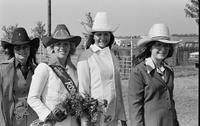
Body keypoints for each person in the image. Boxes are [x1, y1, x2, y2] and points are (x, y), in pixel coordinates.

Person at [77, 12, 127, 126]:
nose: (103, 38)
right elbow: (83, 92)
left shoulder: (113, 56)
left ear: (110, 36)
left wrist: (123, 119)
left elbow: (118, 90)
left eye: (106, 34)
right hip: (95, 118)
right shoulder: (85, 57)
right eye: (99, 34)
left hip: (113, 116)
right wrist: (85, 122)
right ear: (93, 36)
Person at [27, 24, 81, 126]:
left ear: (70, 47)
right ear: (52, 47)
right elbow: (32, 98)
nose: (62, 47)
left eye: (66, 44)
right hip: (51, 123)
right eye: (58, 44)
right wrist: (49, 115)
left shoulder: (75, 72)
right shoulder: (44, 68)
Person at [128, 23, 181, 126]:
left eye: (166, 45)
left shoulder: (169, 71)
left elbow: (170, 101)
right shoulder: (139, 72)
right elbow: (135, 106)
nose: (163, 49)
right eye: (158, 45)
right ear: (150, 48)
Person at [0, 27, 39, 126]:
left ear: (30, 48)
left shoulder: (38, 70)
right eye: (18, 48)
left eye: (25, 47)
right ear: (12, 50)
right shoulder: (3, 70)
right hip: (12, 122)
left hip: (34, 122)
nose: (22, 51)